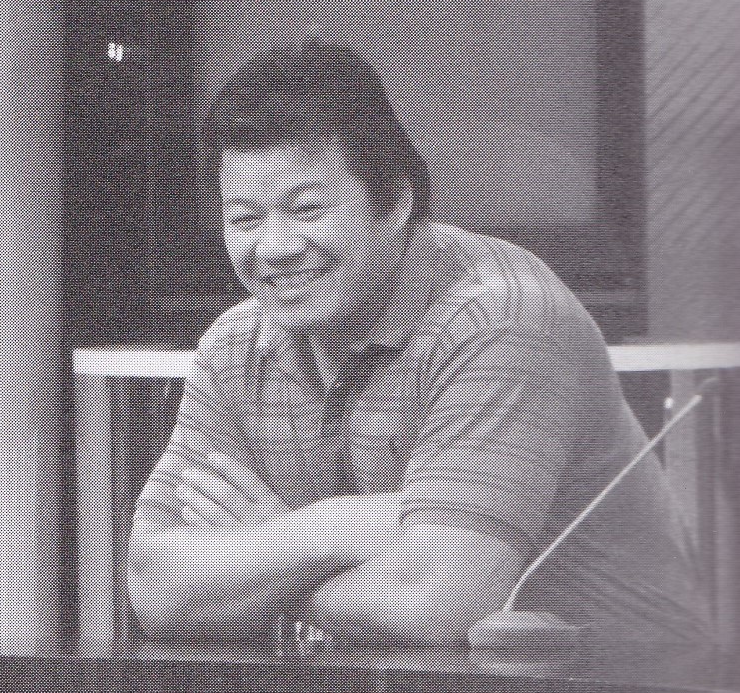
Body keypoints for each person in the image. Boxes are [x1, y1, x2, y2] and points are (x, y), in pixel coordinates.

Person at [126, 41, 707, 647]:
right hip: (371, 688)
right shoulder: (238, 346)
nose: (272, 249)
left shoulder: (503, 321)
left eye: (308, 211)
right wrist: (339, 528)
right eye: (244, 219)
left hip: (613, 690)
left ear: (397, 203)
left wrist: (254, 563)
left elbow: (433, 604)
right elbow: (153, 588)